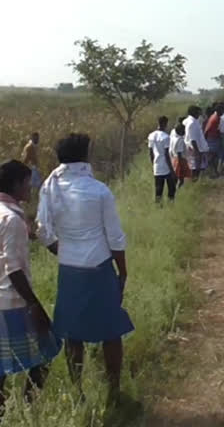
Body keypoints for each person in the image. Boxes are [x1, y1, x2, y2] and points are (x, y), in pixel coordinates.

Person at [36, 134, 134, 402]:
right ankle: (114, 390)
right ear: (85, 156)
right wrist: (122, 271)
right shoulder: (99, 191)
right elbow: (114, 237)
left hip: (69, 270)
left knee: (72, 333)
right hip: (99, 267)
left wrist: (64, 251)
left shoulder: (50, 186)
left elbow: (43, 232)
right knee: (111, 332)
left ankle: (77, 390)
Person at [0, 160, 61, 413]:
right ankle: (28, 407)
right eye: (27, 182)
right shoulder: (11, 220)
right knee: (46, 350)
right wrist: (34, 304)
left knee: (2, 366)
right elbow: (13, 268)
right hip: (13, 302)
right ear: (16, 184)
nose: (30, 188)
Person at [148, 116, 176, 203]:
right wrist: (172, 170)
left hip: (157, 165)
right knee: (172, 187)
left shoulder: (151, 136)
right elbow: (166, 155)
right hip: (166, 166)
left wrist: (153, 164)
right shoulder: (166, 137)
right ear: (165, 124)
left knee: (158, 189)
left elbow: (151, 153)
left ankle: (158, 206)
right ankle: (171, 204)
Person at [183, 106, 208, 180]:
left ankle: (195, 181)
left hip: (198, 148)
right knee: (195, 168)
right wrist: (197, 151)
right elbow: (192, 139)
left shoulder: (193, 121)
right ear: (194, 112)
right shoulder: (191, 123)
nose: (199, 114)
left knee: (198, 167)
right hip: (195, 149)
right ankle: (194, 182)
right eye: (198, 112)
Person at [170, 119, 191, 189]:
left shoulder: (173, 138)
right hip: (180, 160)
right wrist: (181, 165)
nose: (185, 131)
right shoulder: (180, 140)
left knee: (176, 178)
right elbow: (179, 153)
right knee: (181, 179)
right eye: (184, 130)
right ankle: (177, 191)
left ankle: (174, 190)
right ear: (181, 131)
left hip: (174, 159)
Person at [204, 105, 223, 177]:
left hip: (213, 138)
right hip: (212, 139)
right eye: (222, 111)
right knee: (212, 156)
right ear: (218, 111)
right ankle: (211, 172)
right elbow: (207, 129)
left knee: (214, 156)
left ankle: (214, 171)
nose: (223, 112)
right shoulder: (215, 118)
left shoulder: (215, 117)